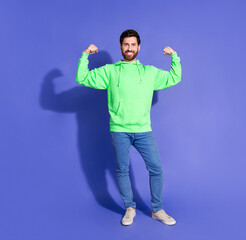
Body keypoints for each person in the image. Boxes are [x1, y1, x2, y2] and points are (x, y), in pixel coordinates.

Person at [75, 29, 182, 226]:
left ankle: (157, 210)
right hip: (119, 130)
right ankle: (129, 208)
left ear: (139, 47)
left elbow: (174, 78)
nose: (130, 48)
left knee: (156, 168)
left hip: (143, 130)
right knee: (122, 170)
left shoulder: (149, 72)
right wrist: (84, 55)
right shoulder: (110, 71)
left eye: (133, 44)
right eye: (126, 44)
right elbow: (82, 78)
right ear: (121, 47)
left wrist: (174, 57)